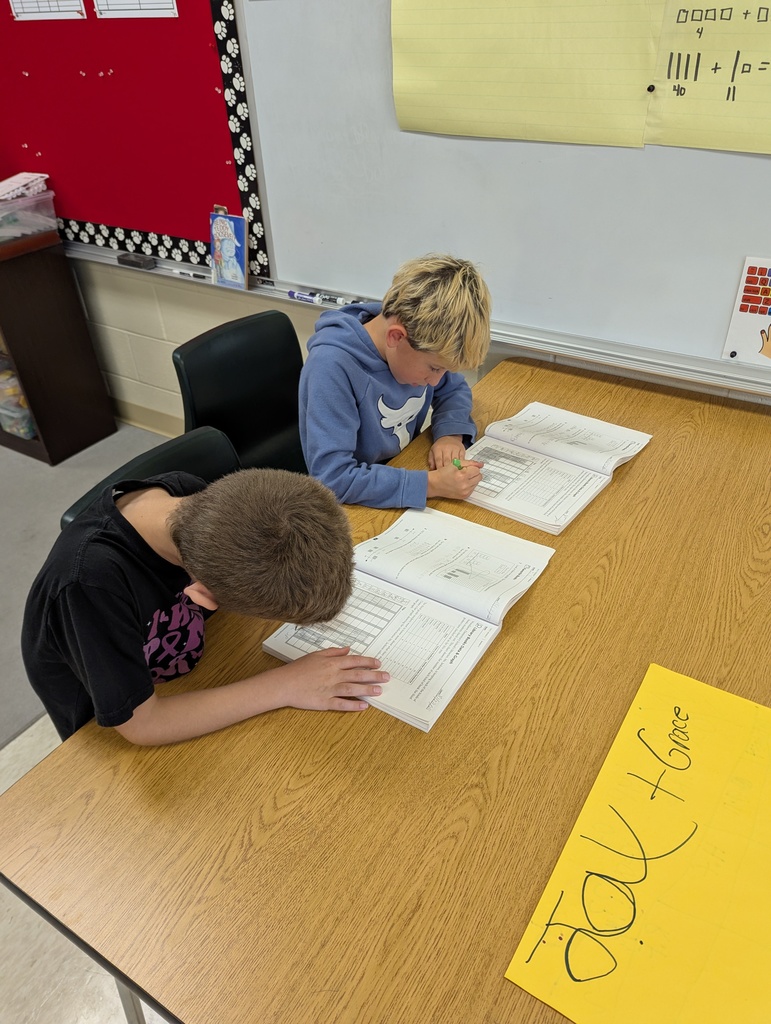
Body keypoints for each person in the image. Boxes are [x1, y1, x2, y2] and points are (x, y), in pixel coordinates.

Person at [21, 468, 389, 746]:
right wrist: (286, 685)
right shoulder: (88, 584)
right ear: (202, 588)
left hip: (189, 663)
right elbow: (142, 725)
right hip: (109, 710)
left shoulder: (196, 500)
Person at [299, 253, 492, 509]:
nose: (435, 382)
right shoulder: (332, 366)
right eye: (434, 368)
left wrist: (450, 435)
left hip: (398, 471)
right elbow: (332, 478)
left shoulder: (419, 344)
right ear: (395, 337)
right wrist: (430, 485)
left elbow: (454, 388)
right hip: (353, 508)